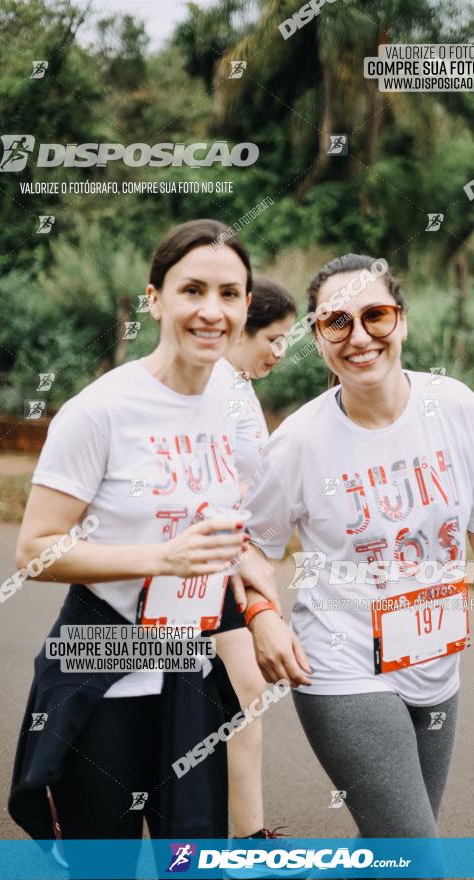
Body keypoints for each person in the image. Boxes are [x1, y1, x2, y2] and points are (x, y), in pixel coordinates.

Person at [240, 253, 474, 844]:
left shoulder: (455, 408)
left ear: (400, 320)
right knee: (414, 850)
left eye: (375, 315)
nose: (359, 337)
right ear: (318, 337)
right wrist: (262, 616)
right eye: (337, 322)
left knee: (392, 851)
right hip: (340, 661)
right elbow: (250, 544)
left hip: (435, 659)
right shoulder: (299, 441)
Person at [8, 219, 277, 870]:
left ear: (245, 305)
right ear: (153, 299)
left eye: (229, 294)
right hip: (102, 660)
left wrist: (264, 614)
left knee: (193, 856)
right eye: (192, 290)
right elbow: (34, 550)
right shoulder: (101, 410)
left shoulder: (235, 403)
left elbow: (235, 532)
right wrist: (161, 557)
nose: (211, 311)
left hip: (189, 664)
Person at [208, 278, 297, 838]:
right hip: (204, 561)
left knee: (240, 692)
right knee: (242, 688)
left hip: (227, 559)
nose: (282, 352)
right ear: (243, 326)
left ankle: (245, 836)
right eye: (276, 337)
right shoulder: (214, 383)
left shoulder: (237, 384)